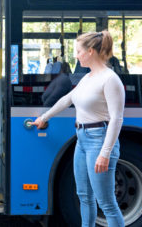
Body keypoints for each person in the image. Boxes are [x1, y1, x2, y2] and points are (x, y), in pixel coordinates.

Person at [31, 30, 125, 227]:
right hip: (82, 140)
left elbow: (117, 119)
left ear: (90, 51)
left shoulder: (110, 79)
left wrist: (105, 153)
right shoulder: (88, 77)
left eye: (78, 51)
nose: (76, 56)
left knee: (106, 202)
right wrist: (44, 117)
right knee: (84, 196)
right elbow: (67, 99)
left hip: (99, 140)